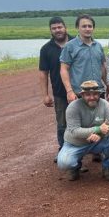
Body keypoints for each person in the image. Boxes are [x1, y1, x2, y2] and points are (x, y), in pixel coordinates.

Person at [57, 81, 109, 181]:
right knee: (63, 163)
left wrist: (99, 134)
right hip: (75, 143)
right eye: (88, 94)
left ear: (99, 94)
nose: (92, 97)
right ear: (82, 95)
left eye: (95, 94)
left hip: (97, 141)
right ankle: (75, 168)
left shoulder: (105, 104)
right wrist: (97, 129)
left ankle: (107, 168)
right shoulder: (73, 107)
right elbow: (74, 131)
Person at [39, 16, 74, 161]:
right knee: (62, 123)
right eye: (54, 28)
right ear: (50, 31)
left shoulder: (76, 42)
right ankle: (63, 150)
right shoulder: (46, 49)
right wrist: (45, 95)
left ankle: (93, 150)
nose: (57, 30)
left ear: (65, 27)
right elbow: (43, 73)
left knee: (86, 121)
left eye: (60, 27)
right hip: (60, 93)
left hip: (79, 91)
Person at [60, 14, 109, 103]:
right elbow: (64, 69)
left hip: (98, 92)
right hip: (80, 94)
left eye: (90, 26)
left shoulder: (98, 46)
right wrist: (69, 91)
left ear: (93, 28)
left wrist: (108, 85)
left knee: (100, 117)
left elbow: (102, 68)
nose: (87, 29)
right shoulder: (70, 46)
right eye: (84, 26)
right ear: (77, 28)